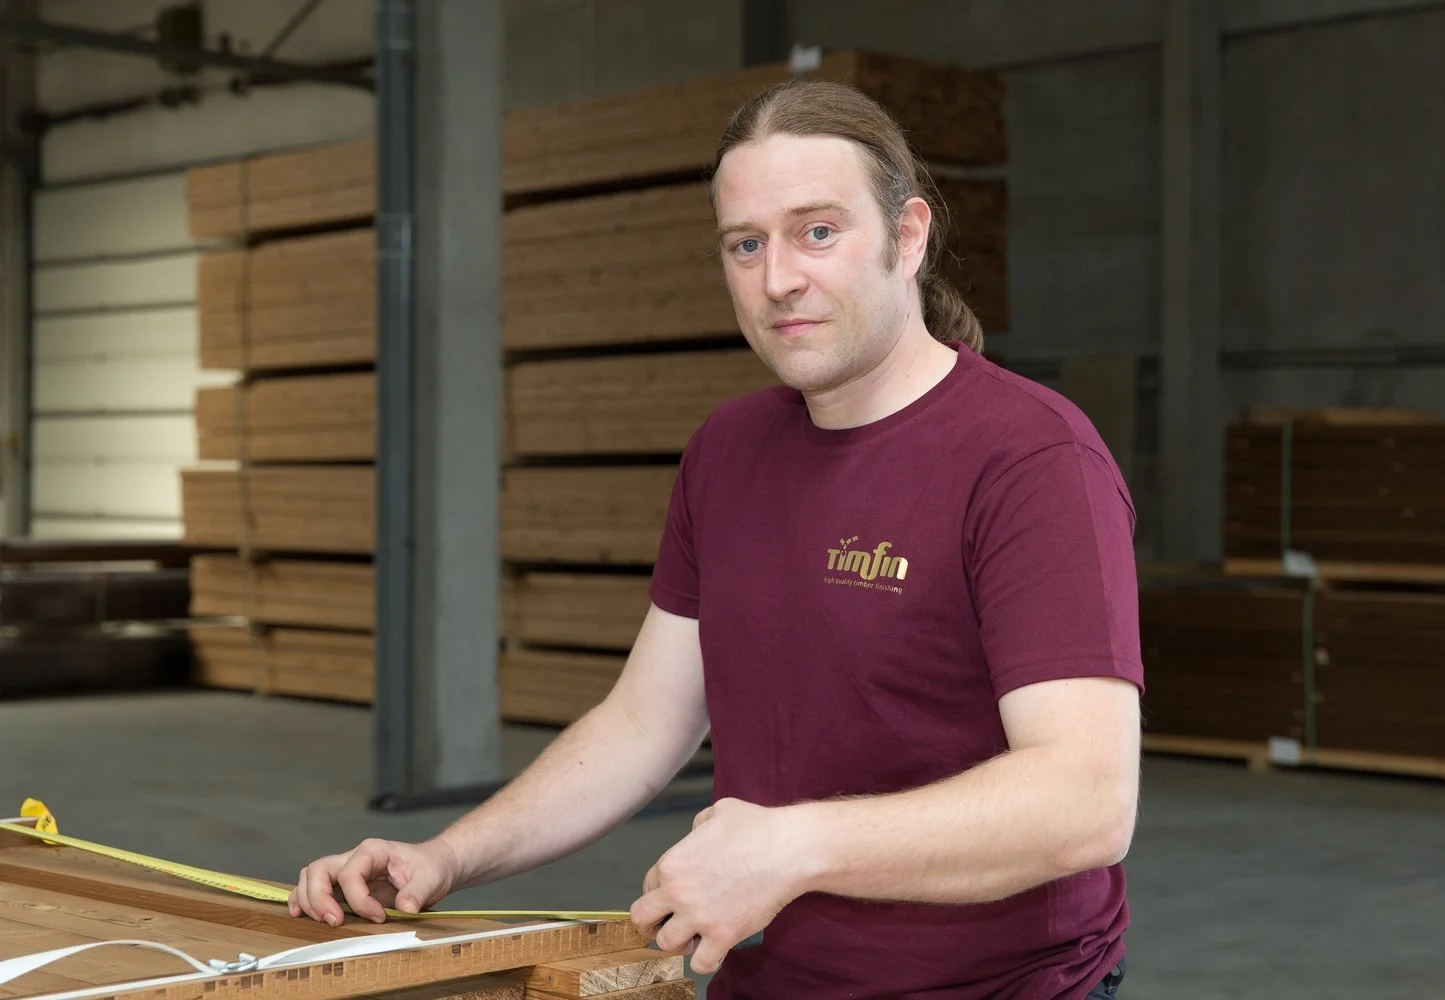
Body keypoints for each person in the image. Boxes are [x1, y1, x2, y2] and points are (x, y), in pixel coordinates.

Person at [290, 79, 1143, 1000]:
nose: (778, 279)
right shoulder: (729, 451)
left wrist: (792, 847)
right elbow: (642, 723)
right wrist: (448, 856)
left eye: (818, 232)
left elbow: (1086, 802)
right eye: (746, 244)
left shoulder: (1030, 458)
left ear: (907, 239)